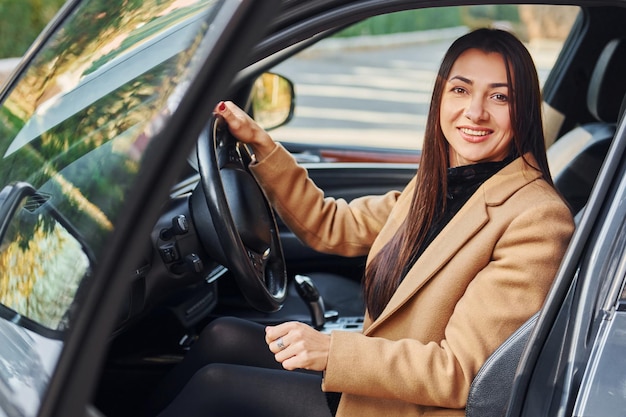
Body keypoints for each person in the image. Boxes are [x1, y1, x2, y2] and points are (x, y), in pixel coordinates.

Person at [150, 28, 575, 417]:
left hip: (413, 405)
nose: (475, 112)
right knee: (222, 333)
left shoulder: (536, 219)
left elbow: (461, 372)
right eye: (460, 89)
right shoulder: (445, 182)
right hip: (378, 380)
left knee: (218, 385)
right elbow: (331, 224)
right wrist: (261, 145)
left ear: (524, 110)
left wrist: (332, 352)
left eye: (500, 97)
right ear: (440, 99)